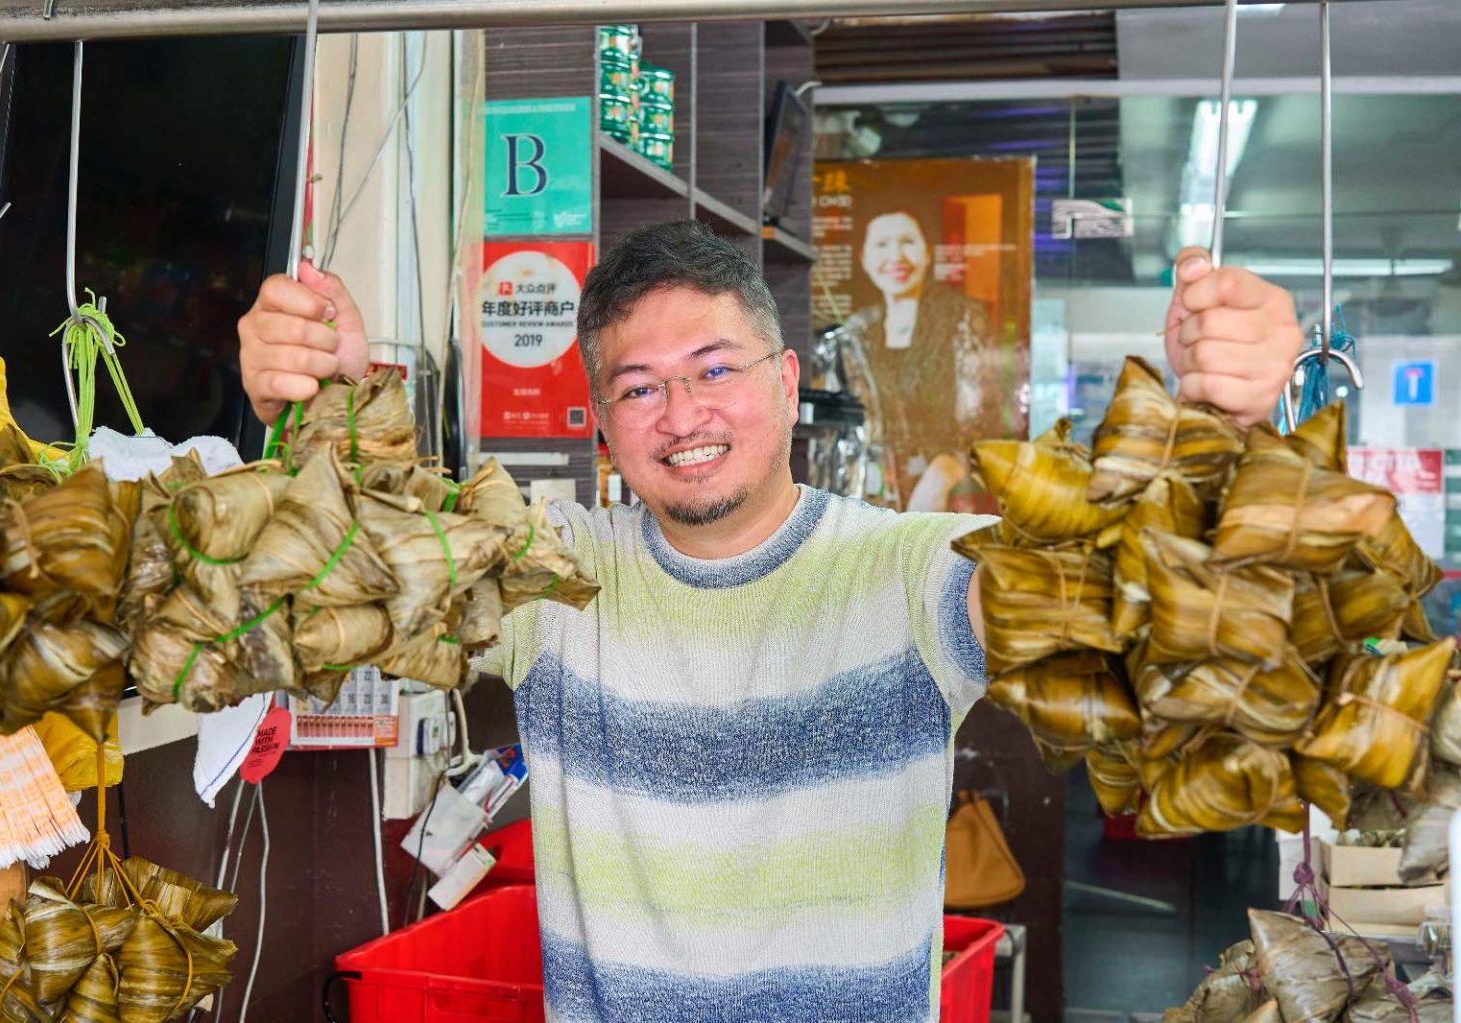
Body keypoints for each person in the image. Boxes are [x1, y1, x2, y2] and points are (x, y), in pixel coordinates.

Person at [238, 220, 1300, 1023]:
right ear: (604, 427)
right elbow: (365, 560)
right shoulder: (554, 574)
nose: (684, 416)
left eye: (714, 371)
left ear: (788, 385)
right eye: (639, 389)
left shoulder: (911, 568)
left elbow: (1128, 591)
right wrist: (321, 406)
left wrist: (1231, 425)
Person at [847, 207, 1014, 513]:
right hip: (875, 493)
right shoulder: (860, 329)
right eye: (882, 245)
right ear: (864, 259)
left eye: (908, 242)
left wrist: (943, 473)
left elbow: (982, 417)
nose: (896, 256)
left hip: (948, 492)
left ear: (926, 253)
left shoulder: (962, 317)